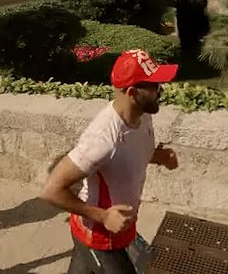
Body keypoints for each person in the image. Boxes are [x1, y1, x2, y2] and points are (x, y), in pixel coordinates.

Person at [41, 49, 180, 274]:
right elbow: (51, 190)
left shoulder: (143, 115)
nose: (161, 91)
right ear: (133, 92)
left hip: (122, 227)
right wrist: (103, 216)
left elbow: (130, 153)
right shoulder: (102, 138)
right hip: (99, 235)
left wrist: (158, 157)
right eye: (155, 86)